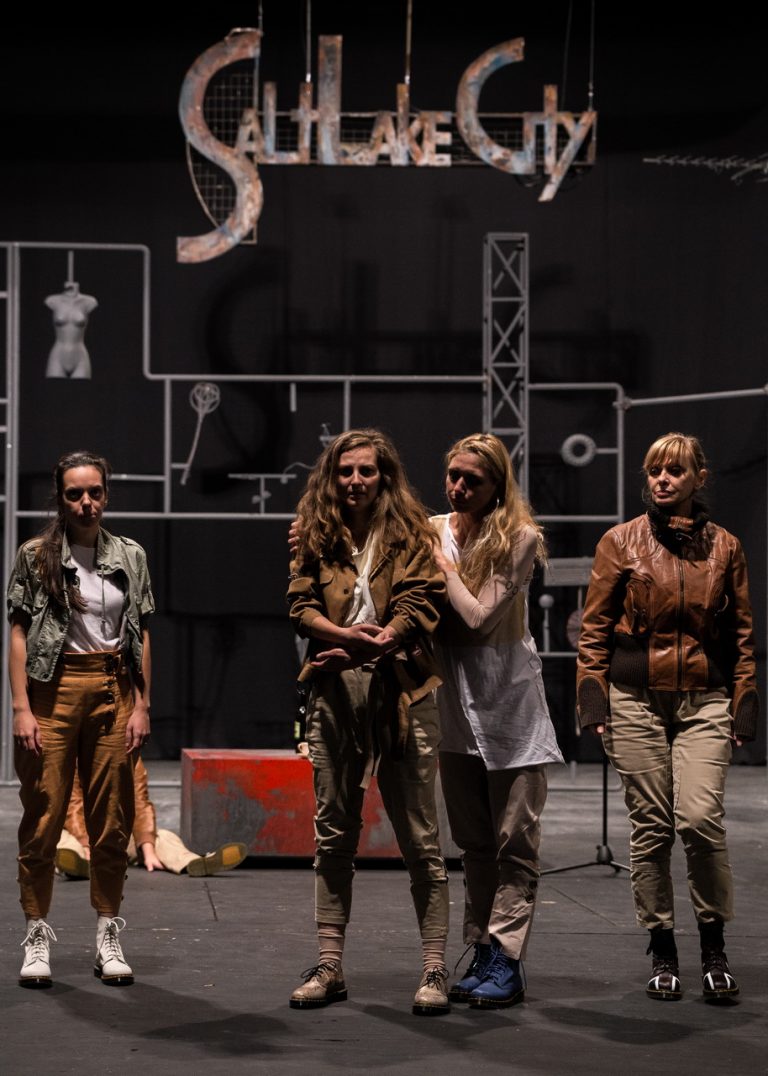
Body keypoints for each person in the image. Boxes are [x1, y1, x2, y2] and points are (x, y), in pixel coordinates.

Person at [577, 432, 757, 1003]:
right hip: (635, 698)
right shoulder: (620, 541)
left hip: (705, 698)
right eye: (655, 470)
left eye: (675, 470)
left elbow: (742, 636)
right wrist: (594, 699)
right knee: (651, 826)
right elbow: (593, 631)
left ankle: (714, 948)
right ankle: (662, 949)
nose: (662, 479)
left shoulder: (726, 547)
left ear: (699, 478)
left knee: (700, 819)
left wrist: (744, 703)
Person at [286, 429, 450, 1015]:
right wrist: (343, 636)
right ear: (332, 478)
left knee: (420, 837)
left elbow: (422, 600)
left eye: (366, 470)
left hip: (402, 689)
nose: (355, 481)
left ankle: (434, 968)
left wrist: (383, 639)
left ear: (385, 476)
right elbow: (300, 605)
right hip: (334, 688)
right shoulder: (314, 533)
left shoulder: (412, 532)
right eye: (345, 471)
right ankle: (330, 965)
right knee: (333, 832)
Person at [8, 450, 154, 988]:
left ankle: (107, 933)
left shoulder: (130, 555)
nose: (86, 502)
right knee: (44, 814)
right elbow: (18, 631)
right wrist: (21, 707)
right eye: (75, 494)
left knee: (112, 819)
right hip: (53, 689)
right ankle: (37, 933)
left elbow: (141, 632)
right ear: (61, 498)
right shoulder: (36, 555)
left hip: (113, 688)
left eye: (94, 492)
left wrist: (143, 704)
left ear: (106, 495)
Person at [430, 433, 563, 1010]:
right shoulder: (432, 528)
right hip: (453, 710)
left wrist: (443, 569)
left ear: (498, 486)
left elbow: (480, 618)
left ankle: (507, 958)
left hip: (509, 708)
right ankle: (483, 947)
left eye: (473, 480)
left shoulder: (519, 537)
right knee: (474, 844)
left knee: (515, 843)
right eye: (454, 475)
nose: (459, 487)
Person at [56, 758, 247, 877]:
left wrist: (148, 849)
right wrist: (86, 844)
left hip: (116, 833)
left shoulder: (129, 756)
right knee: (63, 842)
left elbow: (140, 802)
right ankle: (80, 865)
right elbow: (73, 806)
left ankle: (194, 863)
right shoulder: (73, 757)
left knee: (163, 837)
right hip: (80, 833)